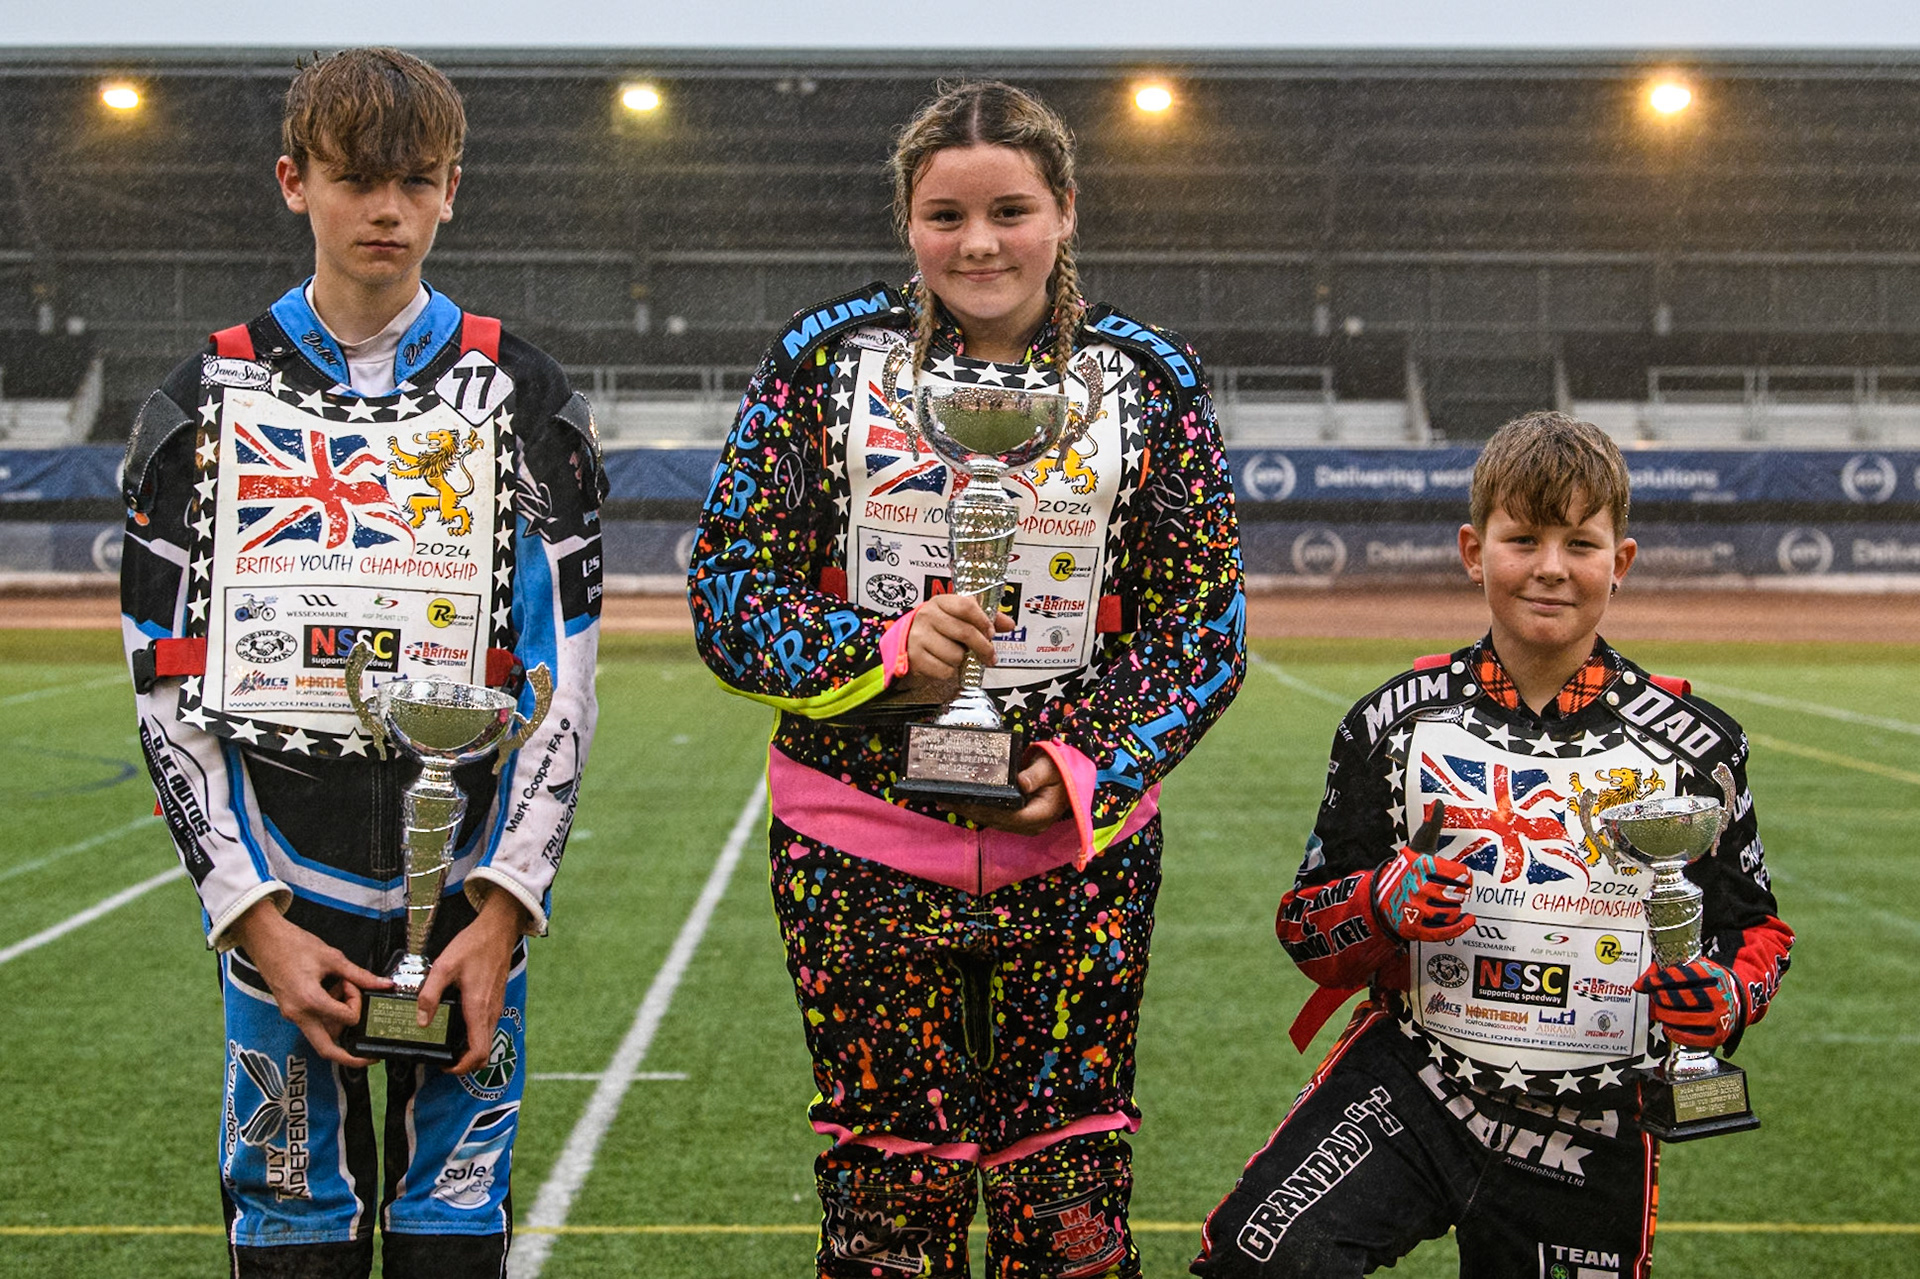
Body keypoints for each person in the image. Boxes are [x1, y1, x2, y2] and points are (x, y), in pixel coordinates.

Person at [689, 80, 1246, 1278]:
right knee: (889, 1207)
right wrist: (882, 656)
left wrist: (1088, 754)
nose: (979, 242)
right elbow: (728, 589)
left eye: (1010, 210)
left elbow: (1205, 620)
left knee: (1070, 1211)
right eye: (946, 214)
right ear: (908, 219)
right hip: (858, 842)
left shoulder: (1149, 379)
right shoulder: (822, 360)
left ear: (1066, 212)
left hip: (1078, 852)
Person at [119, 48, 603, 1278]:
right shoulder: (201, 398)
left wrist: (500, 913)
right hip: (286, 898)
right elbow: (166, 694)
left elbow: (566, 686)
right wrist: (254, 919)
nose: (385, 209)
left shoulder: (528, 394)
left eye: (415, 181)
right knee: (289, 1229)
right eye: (355, 180)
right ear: (295, 181)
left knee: (455, 1230)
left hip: (467, 918)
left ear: (453, 190)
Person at [1191, 412, 1794, 1278]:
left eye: (1580, 543)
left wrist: (1724, 998)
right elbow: (1303, 926)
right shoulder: (1389, 723)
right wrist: (1380, 906)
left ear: (1618, 564)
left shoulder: (1697, 747)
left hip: (1591, 1123)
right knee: (1260, 1258)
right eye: (1524, 539)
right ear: (1475, 551)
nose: (1550, 567)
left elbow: (1758, 930)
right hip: (1418, 1081)